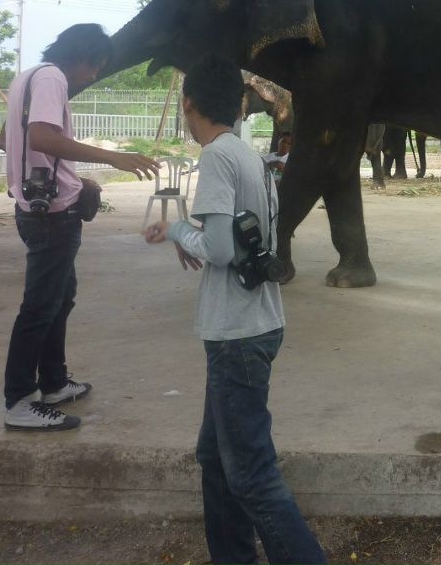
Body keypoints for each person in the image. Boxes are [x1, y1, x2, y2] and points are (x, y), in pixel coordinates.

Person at [143, 54, 326, 565]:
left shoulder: (219, 157)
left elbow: (220, 251)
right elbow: (238, 241)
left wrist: (179, 230)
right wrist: (192, 233)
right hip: (255, 324)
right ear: (241, 104)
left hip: (238, 336)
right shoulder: (248, 156)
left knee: (250, 474)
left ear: (187, 104)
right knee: (215, 459)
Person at [1, 23, 160, 431]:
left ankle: (53, 382)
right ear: (84, 56)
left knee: (59, 296)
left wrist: (66, 173)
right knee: (39, 306)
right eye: (97, 66)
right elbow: (40, 137)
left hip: (35, 207)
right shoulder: (54, 78)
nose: (94, 75)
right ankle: (20, 400)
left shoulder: (28, 77)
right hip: (53, 216)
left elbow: (8, 140)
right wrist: (112, 158)